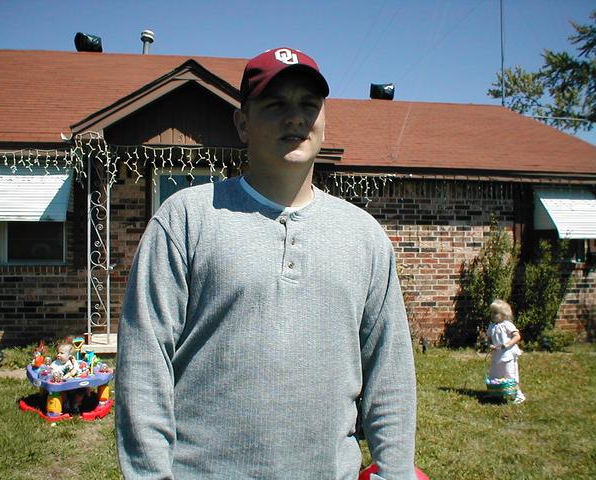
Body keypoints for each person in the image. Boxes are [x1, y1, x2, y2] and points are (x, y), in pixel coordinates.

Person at [116, 47, 417, 480]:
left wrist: (395, 472)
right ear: (243, 123)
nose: (295, 118)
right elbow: (144, 363)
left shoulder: (364, 236)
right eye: (276, 104)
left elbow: (390, 374)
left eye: (308, 105)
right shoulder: (186, 219)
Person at [486, 299, 526, 404]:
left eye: (495, 313)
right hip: (497, 354)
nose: (493, 315)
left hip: (507, 354)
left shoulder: (507, 324)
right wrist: (490, 344)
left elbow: (517, 336)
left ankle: (519, 394)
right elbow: (489, 338)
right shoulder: (491, 326)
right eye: (492, 312)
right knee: (494, 374)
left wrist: (507, 344)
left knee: (510, 374)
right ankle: (495, 392)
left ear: (504, 314)